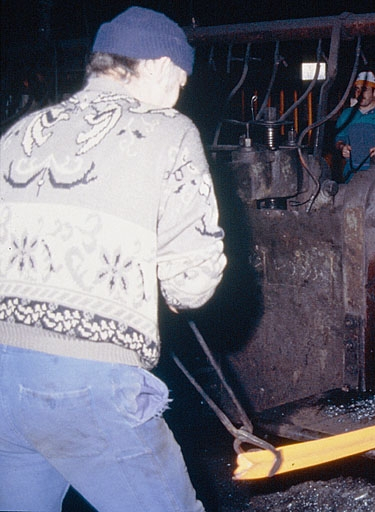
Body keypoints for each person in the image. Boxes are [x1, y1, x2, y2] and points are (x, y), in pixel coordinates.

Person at [0, 6, 226, 512]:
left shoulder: (18, 132)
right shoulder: (168, 131)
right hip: (88, 385)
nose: (179, 94)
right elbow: (192, 281)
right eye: (181, 81)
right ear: (163, 66)